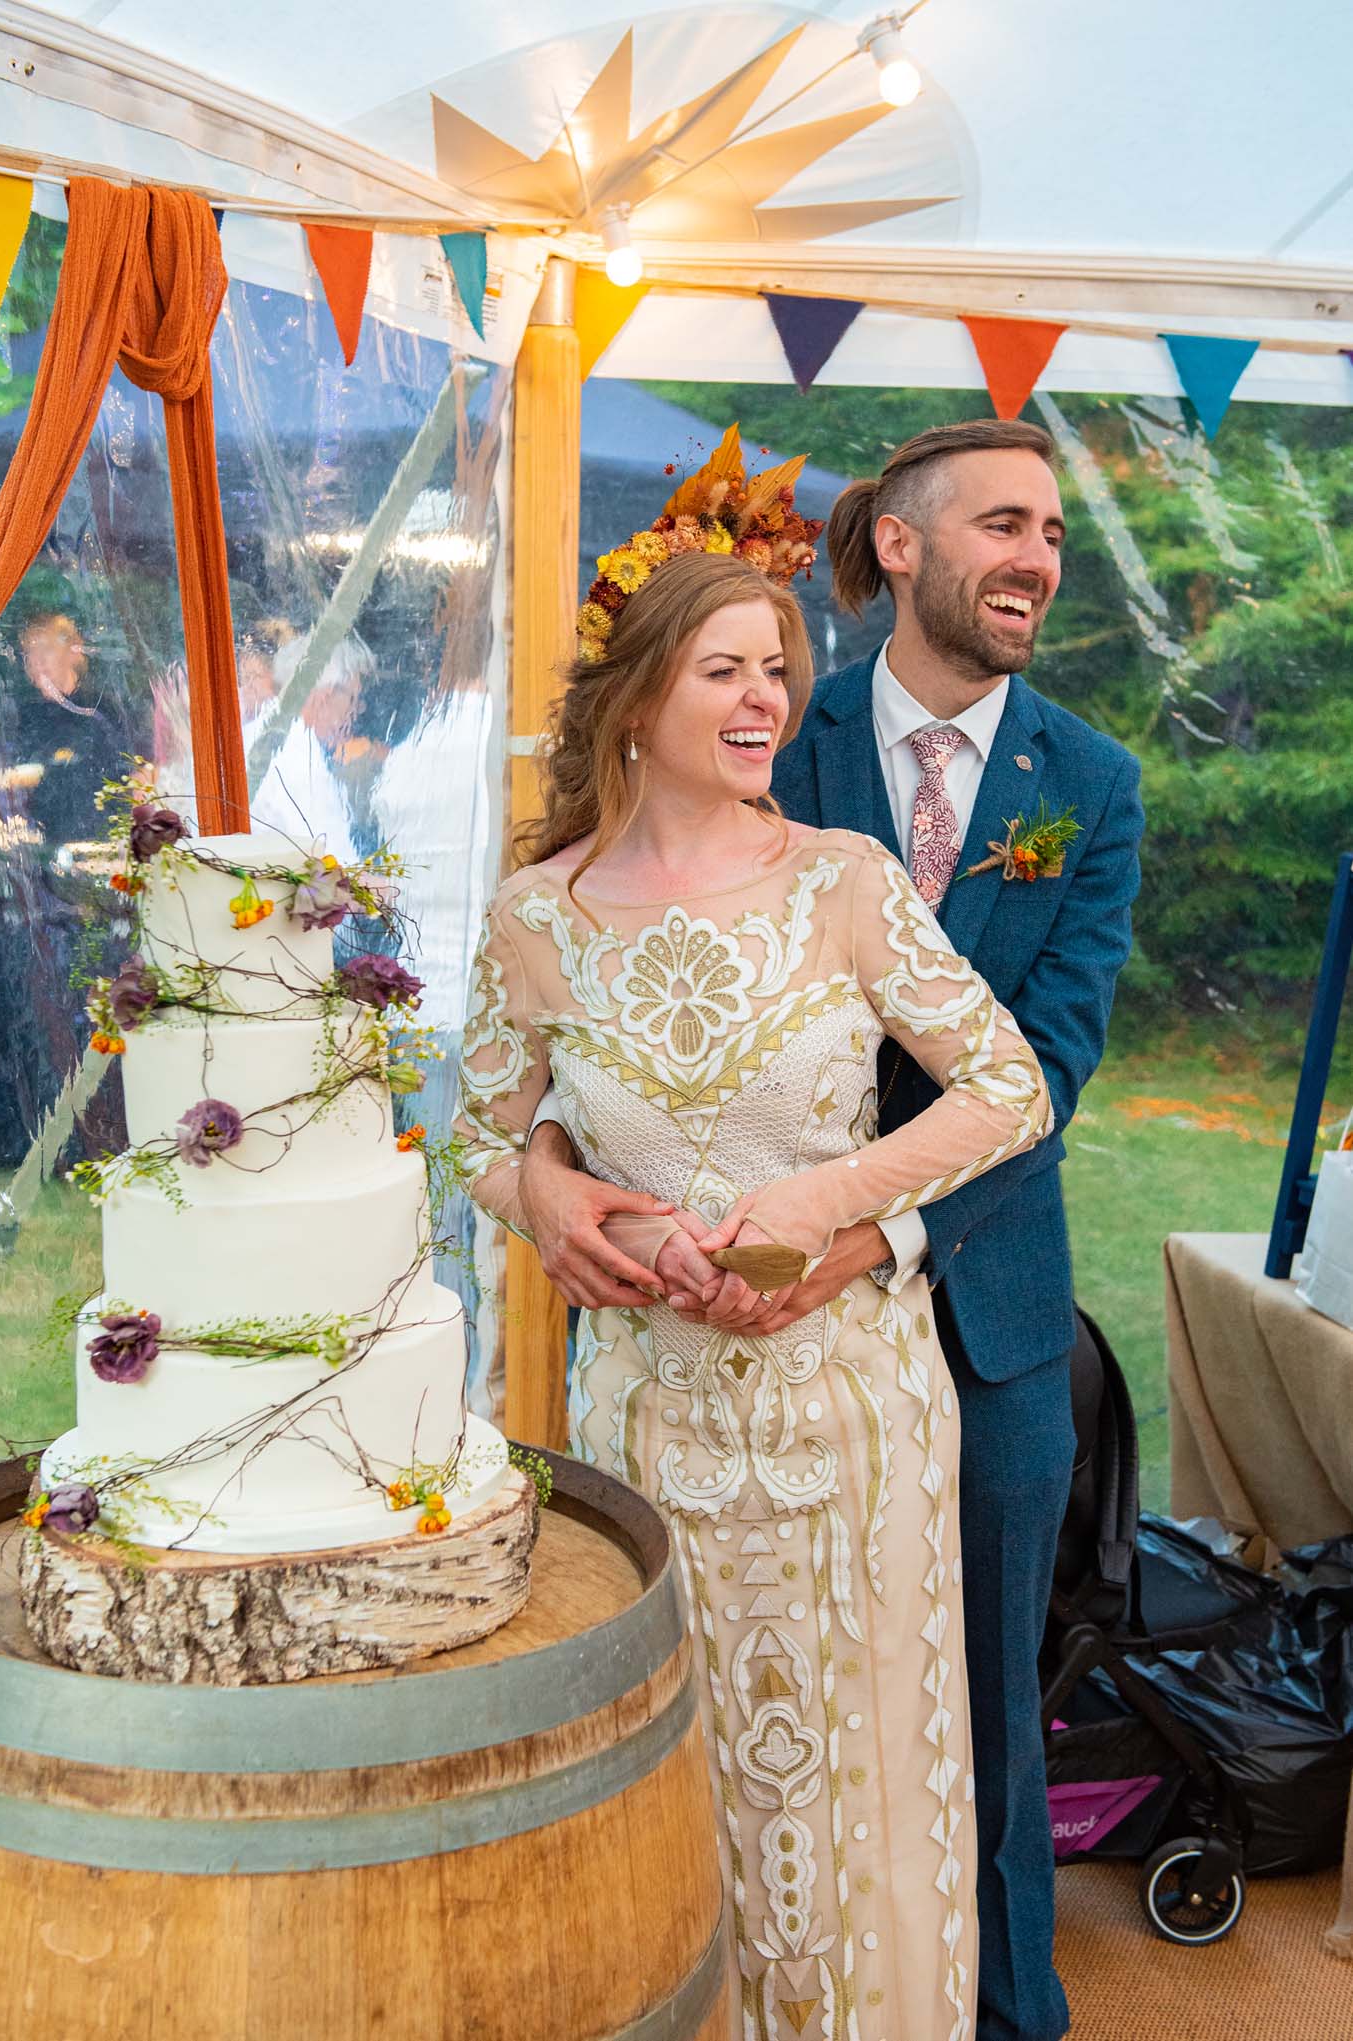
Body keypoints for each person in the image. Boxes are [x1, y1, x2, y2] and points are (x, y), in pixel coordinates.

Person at [520, 420, 1144, 2041]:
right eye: (1005, 525)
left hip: (968, 1300)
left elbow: (1045, 1060)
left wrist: (860, 1239)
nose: (1039, 558)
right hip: (694, 1338)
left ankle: (1001, 2014)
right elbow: (596, 1032)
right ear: (902, 545)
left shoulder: (1090, 784)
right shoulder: (771, 734)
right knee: (736, 1725)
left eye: (1055, 533)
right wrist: (546, 1172)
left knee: (977, 1712)